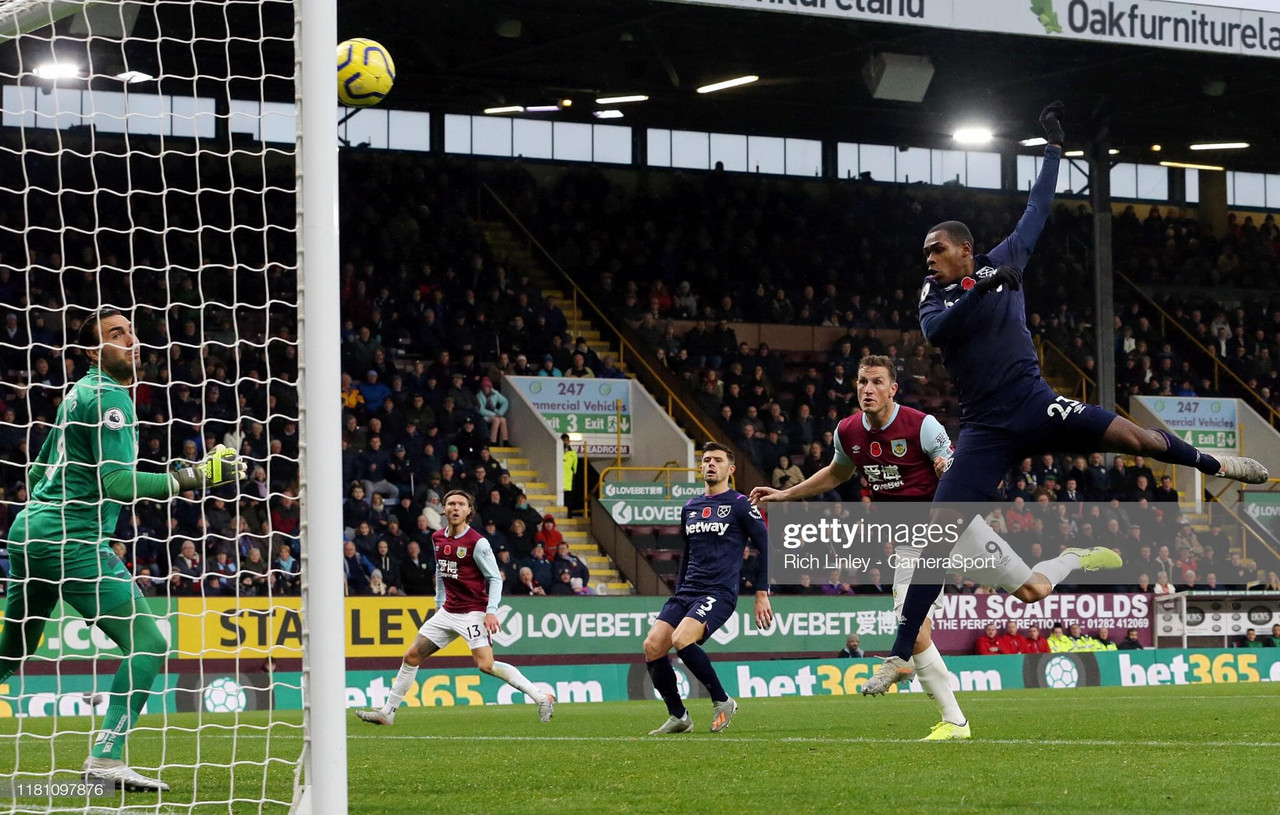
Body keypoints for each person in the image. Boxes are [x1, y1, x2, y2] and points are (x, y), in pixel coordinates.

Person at [862, 102, 1268, 697]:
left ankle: (1216, 464)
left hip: (1035, 403)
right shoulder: (936, 296)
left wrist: (1053, 151)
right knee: (935, 535)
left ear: (965, 248)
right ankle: (900, 657)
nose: (929, 259)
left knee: (1132, 437)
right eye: (926, 254)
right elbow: (938, 333)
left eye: (937, 249)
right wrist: (979, 286)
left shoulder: (1006, 259)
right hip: (985, 429)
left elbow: (1037, 210)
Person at [0, 309, 247, 791]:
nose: (131, 340)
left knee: (16, 647)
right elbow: (116, 482)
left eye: (131, 331)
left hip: (29, 533)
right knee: (150, 643)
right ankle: (105, 759)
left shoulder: (77, 395)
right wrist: (194, 476)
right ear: (94, 351)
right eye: (116, 335)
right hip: (70, 540)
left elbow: (36, 474)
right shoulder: (111, 397)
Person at [750, 355, 971, 740]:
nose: (867, 389)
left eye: (875, 382)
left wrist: (943, 466)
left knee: (1031, 588)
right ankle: (954, 721)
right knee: (915, 630)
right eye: (861, 382)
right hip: (914, 544)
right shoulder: (847, 431)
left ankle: (1070, 561)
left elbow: (948, 464)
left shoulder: (923, 424)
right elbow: (836, 472)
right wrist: (786, 494)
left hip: (955, 525)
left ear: (892, 388)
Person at [355, 490, 555, 726]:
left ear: (469, 510)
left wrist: (491, 611)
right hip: (448, 611)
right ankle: (388, 712)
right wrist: (439, 603)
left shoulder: (478, 543)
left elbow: (495, 578)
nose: (456, 507)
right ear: (444, 508)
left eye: (461, 504)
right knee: (411, 656)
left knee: (486, 665)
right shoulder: (438, 537)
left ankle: (541, 698)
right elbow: (441, 570)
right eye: (451, 503)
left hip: (473, 613)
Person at [643, 443, 772, 735]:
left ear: (731, 469)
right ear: (701, 468)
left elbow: (766, 546)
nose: (711, 464)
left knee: (682, 639)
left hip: (719, 591)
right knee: (652, 646)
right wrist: (678, 592)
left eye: (717, 460)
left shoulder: (741, 504)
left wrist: (761, 593)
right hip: (687, 591)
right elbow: (686, 556)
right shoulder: (690, 507)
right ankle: (679, 716)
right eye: (706, 460)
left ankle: (722, 700)